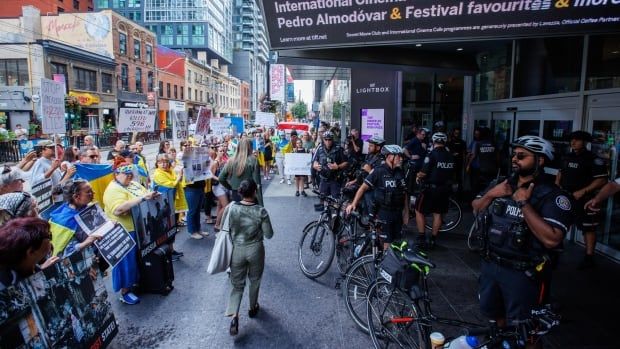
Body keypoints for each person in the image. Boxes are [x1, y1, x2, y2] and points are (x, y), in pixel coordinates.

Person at [471, 136, 574, 328]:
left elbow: (552, 240)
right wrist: (492, 194)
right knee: (496, 319)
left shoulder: (553, 195)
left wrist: (524, 204)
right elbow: (476, 208)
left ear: (540, 160)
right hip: (491, 265)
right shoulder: (501, 184)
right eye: (513, 155)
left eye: (522, 155)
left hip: (524, 274)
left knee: (527, 331)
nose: (514, 159)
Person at [103, 162, 160, 305]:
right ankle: (125, 291)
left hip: (139, 227)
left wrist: (151, 195)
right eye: (126, 174)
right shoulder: (113, 189)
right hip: (124, 232)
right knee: (125, 263)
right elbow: (118, 210)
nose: (129, 176)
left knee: (137, 260)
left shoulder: (132, 184)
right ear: (116, 174)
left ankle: (136, 283)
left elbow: (144, 194)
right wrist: (142, 199)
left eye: (131, 174)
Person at [225, 179, 274, 336]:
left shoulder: (232, 208)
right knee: (254, 280)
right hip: (255, 249)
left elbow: (225, 227)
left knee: (237, 285)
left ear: (240, 192)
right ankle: (253, 308)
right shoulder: (260, 211)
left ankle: (234, 315)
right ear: (254, 192)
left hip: (237, 250)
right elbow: (269, 234)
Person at [555, 131, 607, 269]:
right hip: (565, 196)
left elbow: (601, 179)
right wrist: (557, 186)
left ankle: (589, 257)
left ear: (585, 142)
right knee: (561, 222)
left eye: (577, 140)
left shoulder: (593, 158)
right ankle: (554, 249)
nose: (573, 142)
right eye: (571, 140)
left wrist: (583, 191)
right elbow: (560, 172)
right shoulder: (567, 156)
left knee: (588, 228)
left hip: (584, 199)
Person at [346, 145, 408, 249]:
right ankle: (383, 262)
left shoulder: (400, 172)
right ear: (389, 157)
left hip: (397, 213)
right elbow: (362, 188)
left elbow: (405, 193)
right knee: (387, 244)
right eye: (398, 156)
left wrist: (406, 212)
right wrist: (353, 204)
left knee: (397, 242)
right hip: (383, 212)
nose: (400, 159)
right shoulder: (378, 171)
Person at [415, 133, 456, 248]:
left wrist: (417, 176)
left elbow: (423, 172)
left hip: (431, 189)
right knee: (438, 214)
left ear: (433, 142)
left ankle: (421, 236)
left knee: (419, 210)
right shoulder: (450, 156)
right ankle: (433, 239)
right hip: (445, 189)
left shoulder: (432, 154)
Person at [0, 217, 57, 289]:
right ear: (31, 251)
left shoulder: (23, 265)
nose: (50, 241)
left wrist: (41, 271)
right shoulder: (8, 288)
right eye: (49, 236)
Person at [48, 180, 101, 257]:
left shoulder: (87, 207)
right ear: (76, 197)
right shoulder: (63, 222)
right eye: (88, 192)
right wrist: (85, 243)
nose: (93, 192)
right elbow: (60, 254)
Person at [153, 154, 189, 257]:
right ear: (157, 164)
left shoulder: (170, 170)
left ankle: (171, 250)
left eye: (165, 162)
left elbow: (177, 182)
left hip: (174, 203)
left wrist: (179, 177)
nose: (163, 164)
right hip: (165, 206)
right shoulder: (157, 174)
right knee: (167, 230)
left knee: (172, 228)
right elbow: (171, 184)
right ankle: (168, 253)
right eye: (160, 162)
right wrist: (178, 177)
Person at [219, 138, 263, 204]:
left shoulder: (231, 160)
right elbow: (257, 183)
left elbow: (221, 178)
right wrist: (261, 204)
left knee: (237, 213)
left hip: (236, 193)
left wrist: (231, 187)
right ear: (249, 147)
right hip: (250, 195)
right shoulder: (253, 160)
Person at [313, 131, 348, 204]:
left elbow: (346, 163)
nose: (328, 141)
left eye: (330, 139)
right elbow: (314, 160)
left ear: (332, 139)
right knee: (322, 199)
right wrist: (315, 165)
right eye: (326, 139)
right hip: (323, 179)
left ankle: (334, 215)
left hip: (335, 179)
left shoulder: (339, 148)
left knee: (335, 201)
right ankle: (324, 215)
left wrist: (338, 166)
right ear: (323, 139)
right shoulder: (319, 148)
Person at [467, 127, 499, 195]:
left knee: (478, 186)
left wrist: (468, 165)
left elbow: (474, 156)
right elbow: (497, 157)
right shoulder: (494, 143)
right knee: (490, 186)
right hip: (493, 169)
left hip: (481, 169)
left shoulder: (479, 143)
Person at [211, 145, 230, 230]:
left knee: (219, 205)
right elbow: (211, 175)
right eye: (220, 151)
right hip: (218, 187)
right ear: (217, 152)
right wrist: (219, 178)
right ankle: (217, 225)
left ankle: (219, 222)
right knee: (226, 206)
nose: (222, 152)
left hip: (223, 185)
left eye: (223, 151)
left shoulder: (223, 160)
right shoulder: (215, 162)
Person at [447, 128, 466, 192]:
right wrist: (452, 154)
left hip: (459, 162)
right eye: (455, 133)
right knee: (450, 176)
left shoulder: (462, 142)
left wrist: (464, 162)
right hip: (451, 162)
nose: (457, 135)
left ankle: (459, 191)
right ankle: (449, 190)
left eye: (458, 133)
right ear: (453, 133)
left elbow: (464, 153)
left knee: (459, 177)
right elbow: (446, 152)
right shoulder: (449, 142)